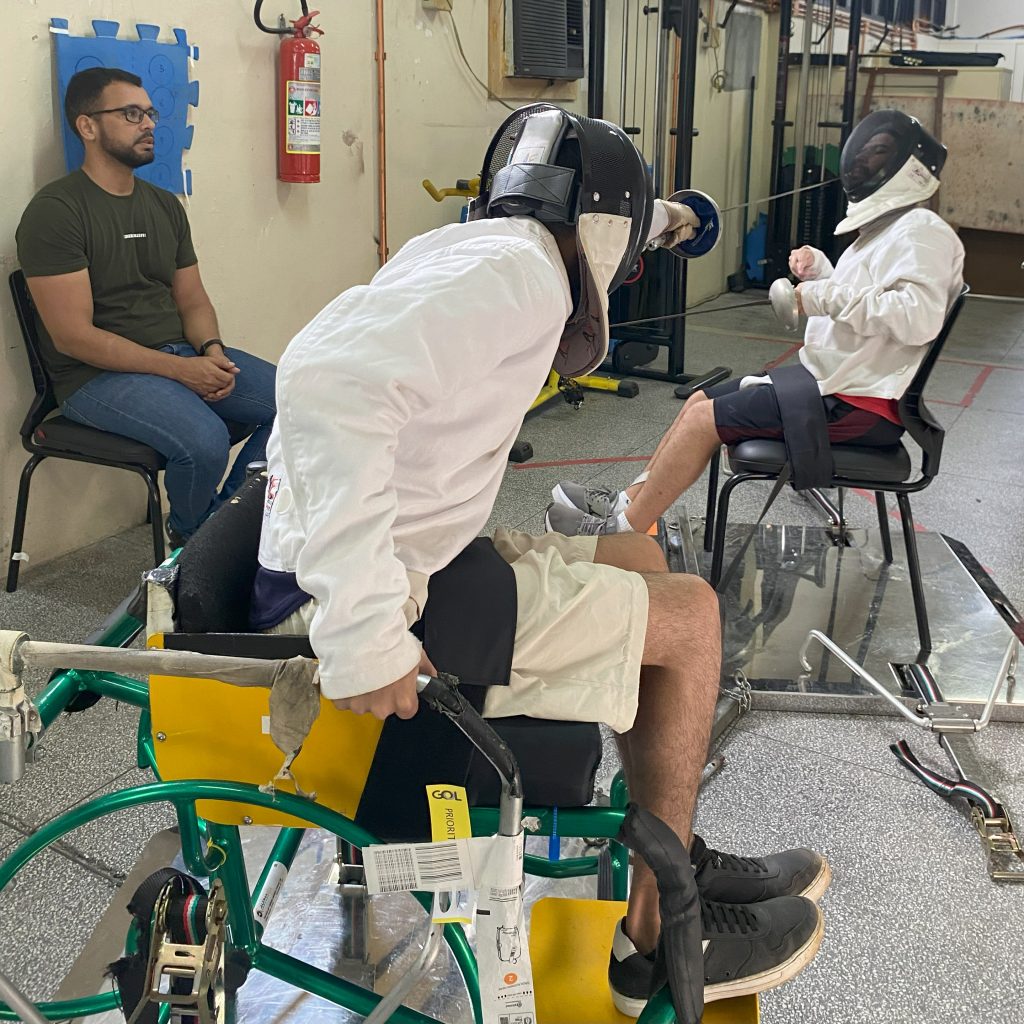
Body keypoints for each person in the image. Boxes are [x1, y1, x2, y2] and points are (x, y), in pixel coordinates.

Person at [252, 103, 827, 1015]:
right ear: (603, 228)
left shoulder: (474, 250)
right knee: (693, 618)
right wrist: (362, 631)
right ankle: (656, 938)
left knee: (639, 551)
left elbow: (645, 222)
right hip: (376, 597)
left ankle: (674, 852)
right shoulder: (520, 275)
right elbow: (328, 381)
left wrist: (678, 218)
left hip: (399, 557)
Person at [547, 109, 965, 538]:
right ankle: (632, 502)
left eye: (879, 154)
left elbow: (916, 317)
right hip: (830, 383)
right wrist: (821, 272)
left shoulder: (921, 232)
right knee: (698, 402)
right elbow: (867, 302)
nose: (863, 163)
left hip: (858, 404)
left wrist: (817, 296)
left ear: (908, 166)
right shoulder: (889, 230)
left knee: (700, 422)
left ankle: (626, 532)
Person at [15, 67, 277, 546]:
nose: (149, 124)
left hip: (176, 352)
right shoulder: (56, 211)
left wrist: (211, 349)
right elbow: (74, 337)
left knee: (298, 401)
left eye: (150, 113)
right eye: (131, 113)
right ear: (87, 126)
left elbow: (193, 299)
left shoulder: (163, 205)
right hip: (92, 377)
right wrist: (181, 371)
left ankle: (224, 533)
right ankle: (192, 543)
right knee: (205, 442)